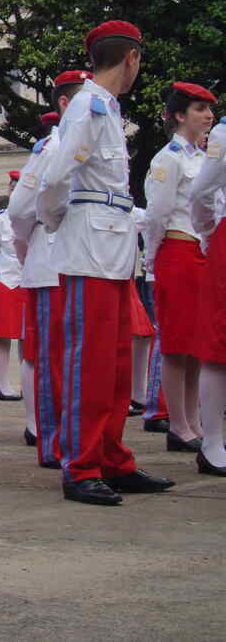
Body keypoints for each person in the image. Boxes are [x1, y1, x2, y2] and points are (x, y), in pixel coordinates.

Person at [35, 20, 174, 505]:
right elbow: (53, 180)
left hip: (112, 247)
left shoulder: (108, 110)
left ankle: (112, 458)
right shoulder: (88, 108)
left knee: (115, 365)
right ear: (131, 58)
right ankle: (82, 464)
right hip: (89, 246)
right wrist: (55, 223)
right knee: (87, 364)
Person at [8, 88, 87, 469]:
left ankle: (78, 439)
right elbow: (20, 210)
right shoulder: (49, 148)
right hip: (52, 259)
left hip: (85, 259)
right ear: (65, 105)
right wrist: (36, 242)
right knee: (50, 361)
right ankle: (53, 440)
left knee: (79, 360)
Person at [142, 82, 216, 453]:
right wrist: (151, 258)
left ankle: (194, 420)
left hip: (201, 255)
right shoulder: (167, 159)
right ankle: (178, 423)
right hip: (176, 250)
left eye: (209, 109)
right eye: (200, 108)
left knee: (196, 346)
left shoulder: (204, 158)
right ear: (179, 115)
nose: (208, 115)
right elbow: (156, 215)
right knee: (175, 345)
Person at [189, 108, 226, 475]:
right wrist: (209, 231)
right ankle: (213, 441)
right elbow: (201, 192)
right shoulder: (224, 135)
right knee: (219, 344)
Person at [0, 171, 26, 402]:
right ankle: (3, 385)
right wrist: (0, 271)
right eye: (12, 186)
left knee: (26, 335)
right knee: (3, 335)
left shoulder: (32, 215)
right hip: (6, 278)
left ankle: (25, 382)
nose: (14, 189)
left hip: (27, 279)